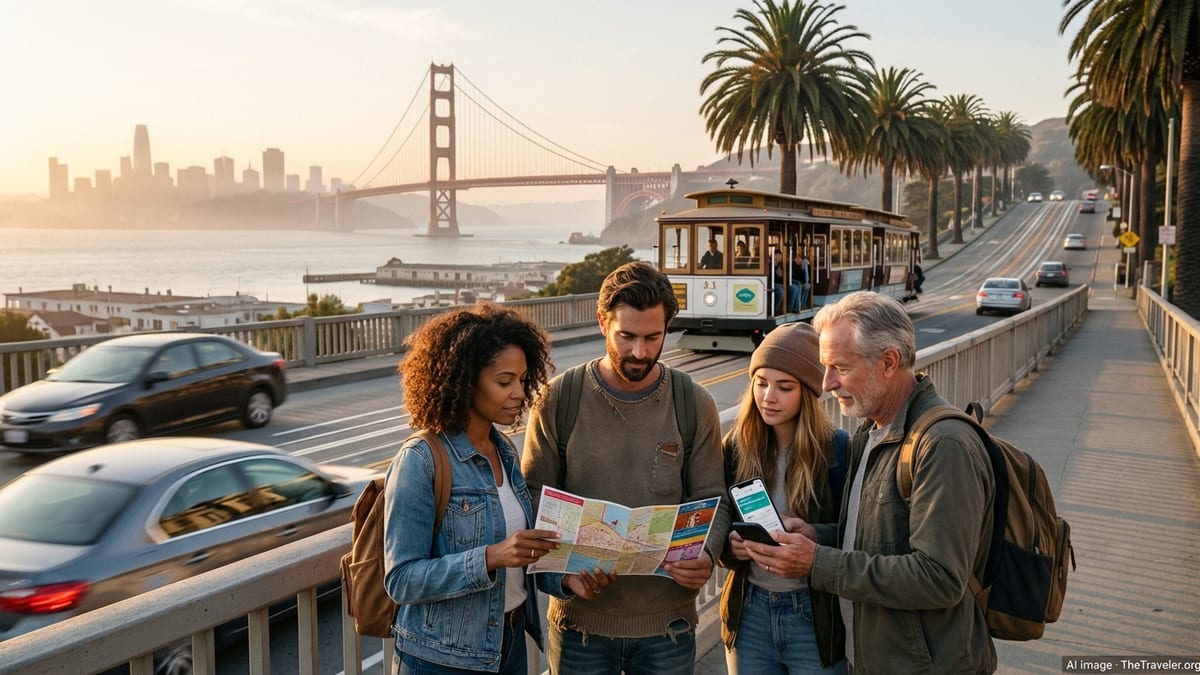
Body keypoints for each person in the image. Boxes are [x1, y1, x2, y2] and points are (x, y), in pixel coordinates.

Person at [736, 291, 997, 673]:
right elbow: (877, 539)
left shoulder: (943, 445)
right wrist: (816, 536)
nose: (826, 384)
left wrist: (817, 562)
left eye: (839, 367)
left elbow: (939, 578)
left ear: (888, 362)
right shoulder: (872, 432)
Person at [522, 261, 731, 675]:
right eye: (627, 336)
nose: (640, 352)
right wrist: (562, 579)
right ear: (602, 323)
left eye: (653, 337)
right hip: (580, 625)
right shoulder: (559, 399)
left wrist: (706, 553)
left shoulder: (694, 403)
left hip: (667, 627)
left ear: (667, 328)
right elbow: (532, 496)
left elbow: (713, 498)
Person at [383, 302, 589, 674]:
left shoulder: (505, 451)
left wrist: (566, 580)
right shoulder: (421, 459)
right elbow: (402, 580)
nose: (519, 393)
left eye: (523, 380)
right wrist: (489, 557)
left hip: (508, 646)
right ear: (464, 380)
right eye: (504, 381)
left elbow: (518, 555)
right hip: (442, 659)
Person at [719, 323, 847, 674]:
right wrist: (732, 546)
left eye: (784, 387)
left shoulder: (837, 450)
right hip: (750, 612)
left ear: (808, 392)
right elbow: (717, 528)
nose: (768, 397)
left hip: (814, 613)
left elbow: (859, 535)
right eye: (761, 383)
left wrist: (814, 535)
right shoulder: (735, 447)